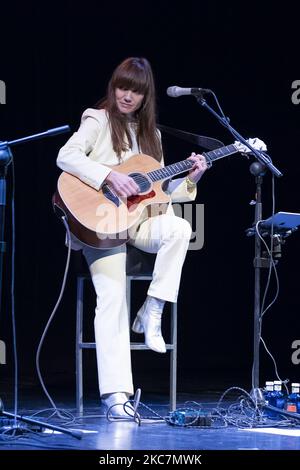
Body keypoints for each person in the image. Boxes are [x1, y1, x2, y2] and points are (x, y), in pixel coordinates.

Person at [57, 57, 208, 417]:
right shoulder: (97, 119)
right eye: (123, 87)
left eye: (136, 91)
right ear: (114, 87)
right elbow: (67, 156)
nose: (127, 96)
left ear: (145, 96)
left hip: (137, 221)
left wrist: (192, 178)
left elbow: (159, 190)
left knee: (181, 228)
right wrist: (109, 178)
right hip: (100, 221)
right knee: (111, 298)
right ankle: (117, 396)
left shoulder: (151, 135)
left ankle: (152, 309)